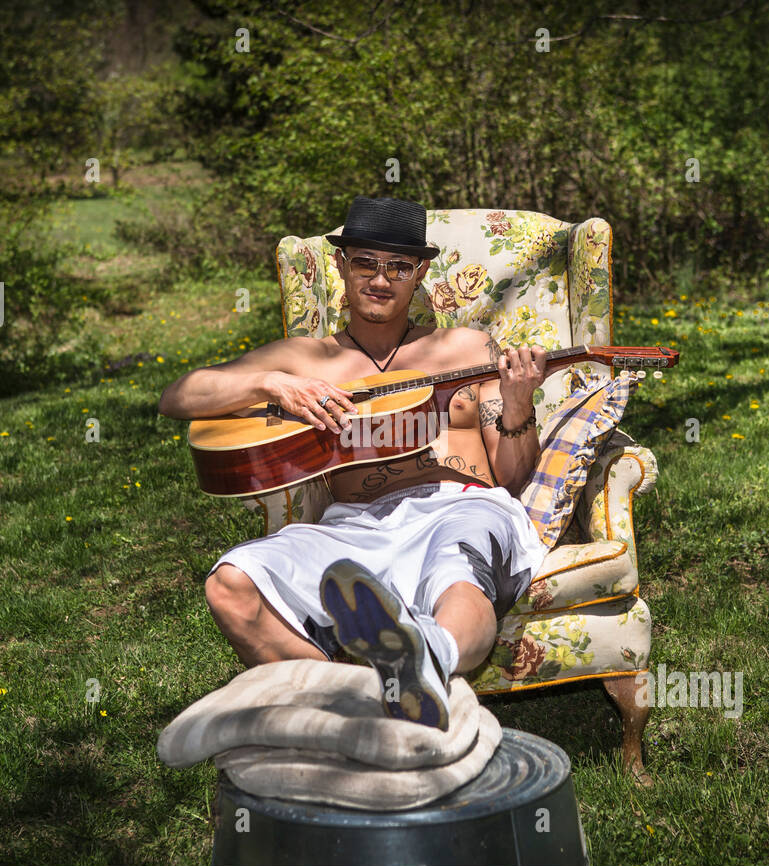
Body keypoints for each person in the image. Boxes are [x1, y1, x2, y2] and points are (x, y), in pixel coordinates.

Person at [159, 196, 549, 730]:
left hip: (459, 508)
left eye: (399, 267)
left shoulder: (465, 348)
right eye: (366, 262)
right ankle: (355, 711)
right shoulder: (305, 358)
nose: (381, 280)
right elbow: (179, 394)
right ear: (342, 265)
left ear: (421, 273)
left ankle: (424, 659)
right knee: (230, 586)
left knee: (458, 578)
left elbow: (511, 473)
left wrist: (520, 404)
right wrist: (269, 382)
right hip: (355, 524)